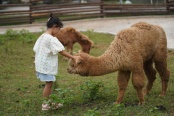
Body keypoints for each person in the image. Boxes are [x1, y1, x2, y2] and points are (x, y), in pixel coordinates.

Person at [33, 14, 79, 110]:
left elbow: (36, 48)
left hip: (41, 64)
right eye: (59, 29)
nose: (58, 32)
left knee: (49, 84)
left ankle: (49, 102)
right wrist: (73, 57)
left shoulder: (42, 36)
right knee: (49, 84)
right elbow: (61, 51)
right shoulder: (51, 39)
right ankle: (46, 105)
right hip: (46, 65)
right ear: (54, 27)